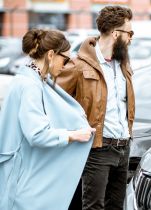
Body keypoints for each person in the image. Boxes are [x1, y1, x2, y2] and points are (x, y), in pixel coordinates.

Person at [0, 29, 96, 210]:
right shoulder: (30, 85)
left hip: (18, 173)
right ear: (51, 55)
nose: (67, 65)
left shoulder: (29, 79)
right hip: (20, 180)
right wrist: (73, 135)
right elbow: (36, 134)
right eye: (66, 59)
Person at [57, 6, 135, 210]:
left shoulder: (123, 63)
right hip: (97, 149)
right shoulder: (79, 65)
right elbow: (53, 102)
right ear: (116, 33)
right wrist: (72, 133)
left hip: (123, 147)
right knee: (93, 207)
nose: (131, 39)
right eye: (130, 33)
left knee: (116, 206)